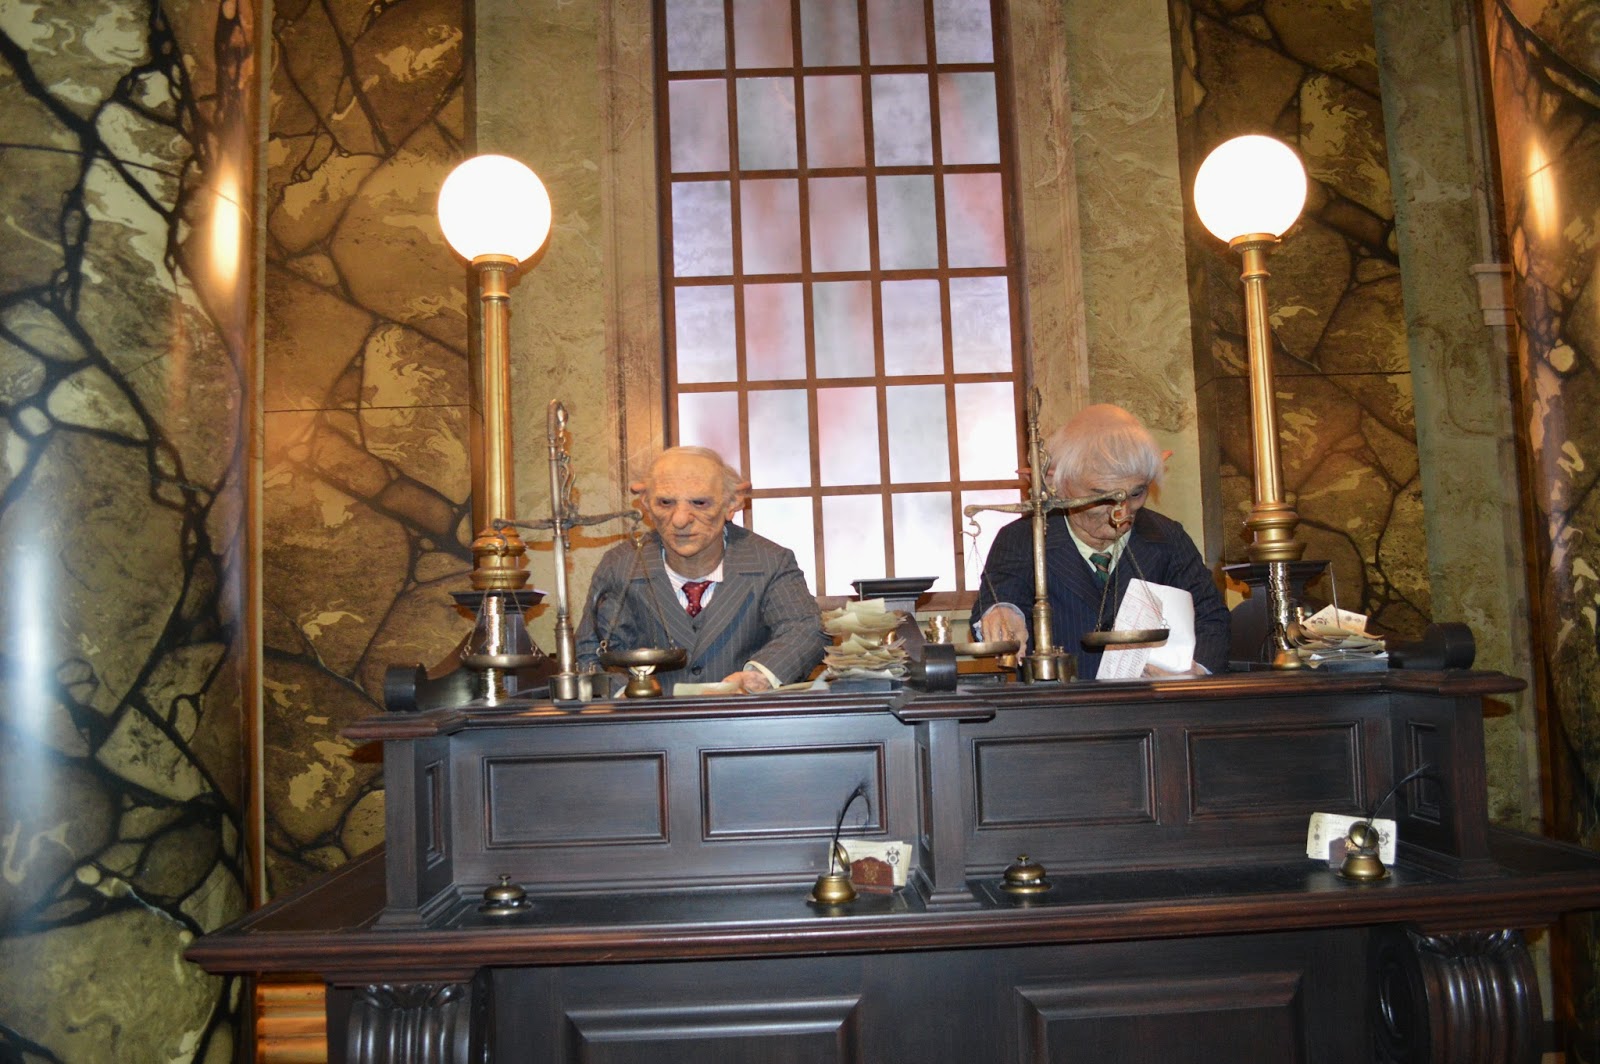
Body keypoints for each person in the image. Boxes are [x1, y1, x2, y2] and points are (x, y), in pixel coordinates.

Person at [971, 404, 1231, 678]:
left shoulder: (1167, 537)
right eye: (1103, 496)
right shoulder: (1023, 538)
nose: (1122, 512)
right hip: (1059, 699)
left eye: (1136, 494)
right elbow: (1001, 599)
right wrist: (1003, 615)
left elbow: (1212, 617)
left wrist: (1194, 673)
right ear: (1055, 483)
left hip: (1149, 699)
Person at [575, 446, 829, 694]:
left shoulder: (770, 561)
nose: (680, 520)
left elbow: (805, 630)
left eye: (699, 503)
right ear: (646, 503)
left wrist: (758, 676)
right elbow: (590, 653)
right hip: (650, 718)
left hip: (744, 715)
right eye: (665, 502)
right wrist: (628, 696)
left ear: (732, 502)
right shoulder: (621, 565)